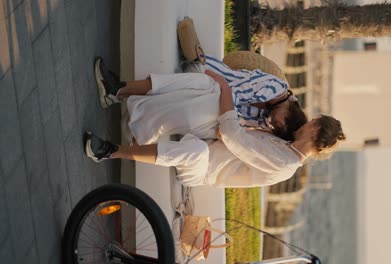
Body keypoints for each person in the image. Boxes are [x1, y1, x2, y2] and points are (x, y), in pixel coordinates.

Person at [86, 59, 346, 187]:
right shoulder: (288, 146)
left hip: (204, 169)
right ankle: (118, 91)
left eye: (314, 121)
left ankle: (110, 151)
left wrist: (225, 86)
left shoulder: (286, 162)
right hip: (213, 139)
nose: (308, 121)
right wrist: (220, 87)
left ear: (315, 129)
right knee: (206, 84)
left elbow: (232, 133)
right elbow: (235, 131)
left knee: (197, 147)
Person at [95, 56, 307, 142]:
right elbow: (231, 93)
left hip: (216, 97)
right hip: (208, 74)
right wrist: (228, 117)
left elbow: (234, 122)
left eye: (276, 128)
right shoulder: (276, 87)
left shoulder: (267, 119)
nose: (273, 124)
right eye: (280, 123)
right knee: (203, 100)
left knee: (205, 113)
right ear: (290, 112)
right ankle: (121, 92)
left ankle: (126, 107)